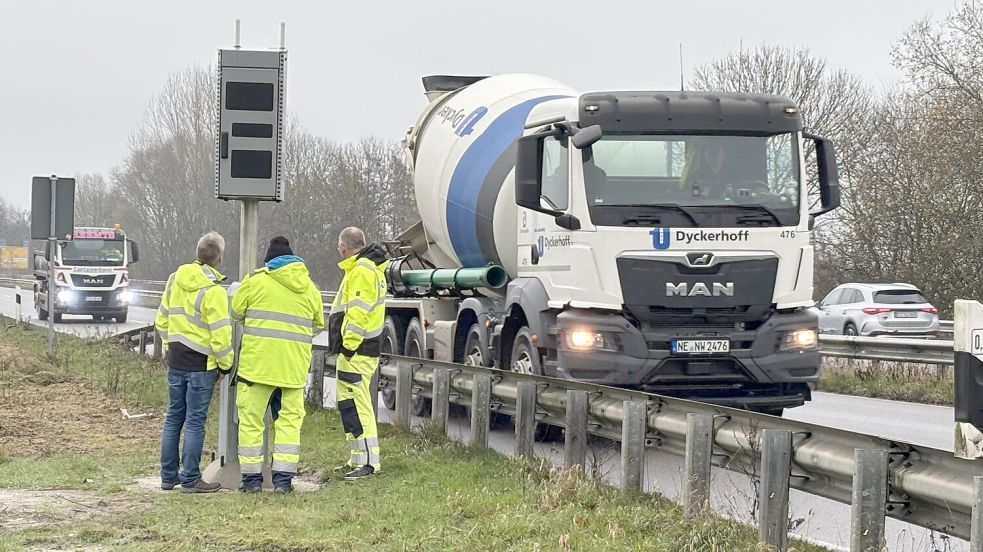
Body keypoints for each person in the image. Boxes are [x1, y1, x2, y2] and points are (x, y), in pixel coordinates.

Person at [231, 236, 324, 493]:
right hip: (292, 369)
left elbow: (236, 312)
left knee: (251, 422)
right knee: (289, 424)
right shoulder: (310, 289)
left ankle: (251, 481)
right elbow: (317, 325)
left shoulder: (255, 281)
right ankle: (283, 481)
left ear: (268, 262)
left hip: (256, 368)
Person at [155, 231, 233, 493]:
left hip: (176, 359)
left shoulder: (174, 280)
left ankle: (168, 477)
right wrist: (225, 365)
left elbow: (161, 320)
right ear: (219, 258)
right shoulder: (214, 292)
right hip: (201, 364)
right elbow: (221, 335)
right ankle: (190, 478)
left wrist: (171, 345)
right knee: (195, 421)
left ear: (196, 252)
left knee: (173, 418)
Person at [328, 227, 388, 480]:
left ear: (345, 246)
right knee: (349, 405)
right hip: (357, 350)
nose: (338, 250)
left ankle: (369, 463)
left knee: (358, 404)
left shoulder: (362, 270)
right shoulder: (363, 268)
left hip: (357, 350)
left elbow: (358, 314)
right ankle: (357, 458)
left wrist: (349, 346)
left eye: (339, 245)